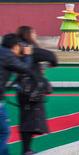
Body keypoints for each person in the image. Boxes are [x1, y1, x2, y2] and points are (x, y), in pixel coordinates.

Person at [15, 26, 57, 155]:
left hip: (21, 89)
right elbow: (51, 56)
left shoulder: (17, 49)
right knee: (30, 121)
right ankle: (26, 150)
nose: (36, 34)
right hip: (31, 90)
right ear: (28, 34)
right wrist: (51, 64)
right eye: (33, 32)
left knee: (26, 120)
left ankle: (26, 149)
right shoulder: (30, 49)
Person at [1, 34, 37, 155]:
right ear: (15, 46)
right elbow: (25, 68)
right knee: (4, 132)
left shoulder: (3, 53)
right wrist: (27, 55)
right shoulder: (8, 56)